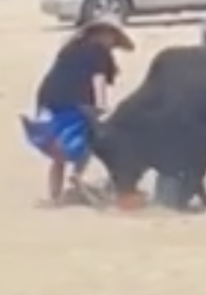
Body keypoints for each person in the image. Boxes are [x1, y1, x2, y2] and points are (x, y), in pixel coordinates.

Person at [22, 17, 134, 204]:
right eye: (112, 36)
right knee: (91, 137)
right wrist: (101, 105)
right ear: (103, 34)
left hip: (49, 96)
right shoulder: (100, 51)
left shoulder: (71, 47)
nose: (112, 41)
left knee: (60, 147)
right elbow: (98, 78)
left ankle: (55, 196)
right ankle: (77, 174)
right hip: (76, 98)